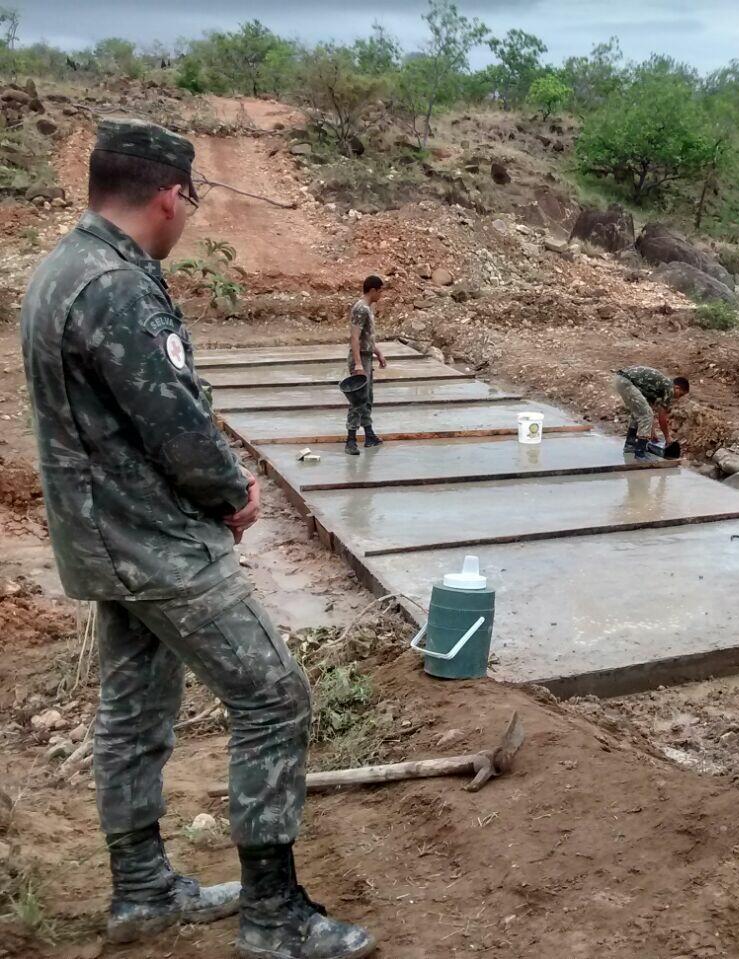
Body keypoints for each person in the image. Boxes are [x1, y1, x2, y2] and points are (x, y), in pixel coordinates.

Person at [20, 118, 375, 959]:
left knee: (135, 708)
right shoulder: (116, 285)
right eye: (191, 201)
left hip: (104, 541)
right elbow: (174, 420)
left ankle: (141, 888)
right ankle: (274, 914)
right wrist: (233, 491)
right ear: (171, 196)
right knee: (273, 695)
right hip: (157, 543)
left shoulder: (61, 270)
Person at [345, 275, 386, 457]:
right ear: (372, 290)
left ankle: (369, 435)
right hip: (359, 359)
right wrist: (359, 364)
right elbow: (354, 337)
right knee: (357, 400)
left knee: (367, 398)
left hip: (366, 356)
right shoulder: (360, 308)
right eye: (380, 291)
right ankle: (351, 440)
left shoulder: (367, 308)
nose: (381, 294)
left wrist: (377, 352)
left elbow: (365, 337)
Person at [612, 365, 689, 460]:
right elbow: (662, 418)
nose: (678, 397)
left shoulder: (657, 387)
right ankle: (640, 453)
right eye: (680, 394)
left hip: (620, 380)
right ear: (677, 388)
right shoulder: (669, 388)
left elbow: (649, 408)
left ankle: (630, 446)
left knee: (640, 414)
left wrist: (652, 431)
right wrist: (668, 438)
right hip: (625, 381)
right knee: (646, 415)